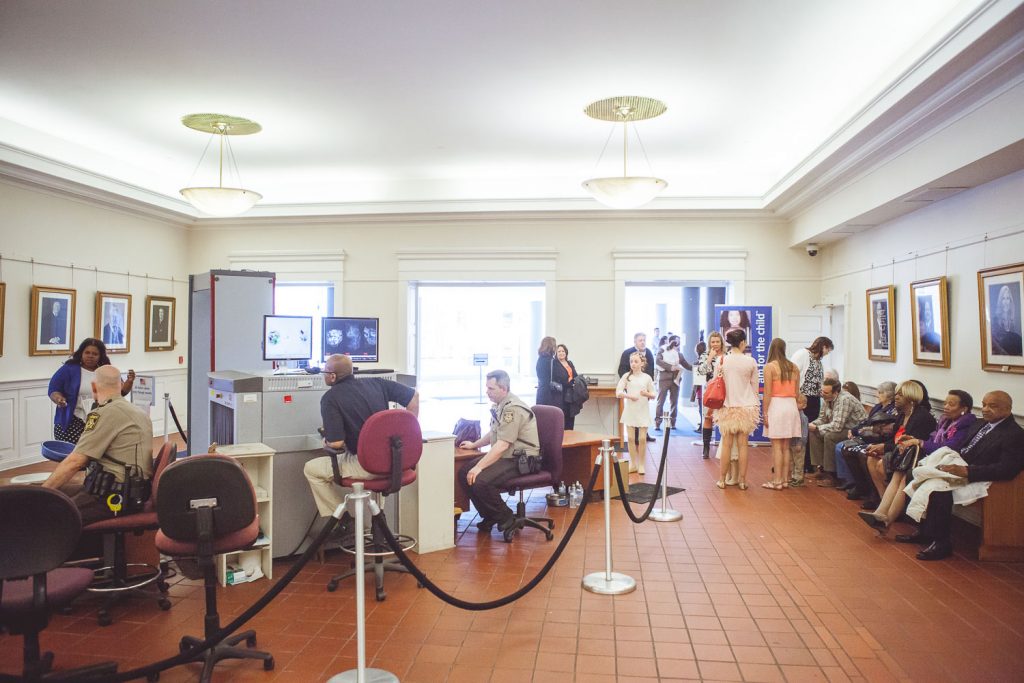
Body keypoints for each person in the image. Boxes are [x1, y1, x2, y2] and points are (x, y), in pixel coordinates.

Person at [898, 391, 1022, 561]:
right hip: (959, 465)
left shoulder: (1014, 433)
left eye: (992, 406)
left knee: (937, 489)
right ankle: (925, 531)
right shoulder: (980, 423)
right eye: (984, 404)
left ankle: (942, 543)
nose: (985, 409)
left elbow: (1007, 469)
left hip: (980, 476)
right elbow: (961, 447)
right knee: (914, 474)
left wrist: (968, 471)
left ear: (1008, 408)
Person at [303, 354, 419, 517]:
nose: (324, 376)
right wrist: (409, 432)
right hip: (396, 462)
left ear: (333, 376)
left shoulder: (330, 398)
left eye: (325, 373)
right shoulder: (377, 383)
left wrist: (326, 441)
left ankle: (342, 522)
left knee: (311, 469)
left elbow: (336, 443)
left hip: (367, 466)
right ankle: (375, 526)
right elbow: (414, 396)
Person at [42, 365, 153, 525]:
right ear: (121, 386)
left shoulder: (105, 413)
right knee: (59, 494)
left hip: (111, 496)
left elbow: (75, 462)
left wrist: (41, 493)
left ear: (94, 387)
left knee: (46, 513)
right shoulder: (137, 412)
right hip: (133, 491)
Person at [860, 389, 976, 533]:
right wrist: (912, 440)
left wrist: (919, 442)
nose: (945, 406)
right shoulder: (946, 421)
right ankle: (881, 513)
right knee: (900, 472)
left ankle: (887, 520)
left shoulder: (965, 425)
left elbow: (949, 447)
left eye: (951, 404)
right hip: (933, 458)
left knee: (906, 475)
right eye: (945, 403)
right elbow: (932, 440)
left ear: (964, 408)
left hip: (948, 463)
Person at [458, 370, 540, 533]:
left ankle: (506, 517)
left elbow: (503, 444)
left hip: (523, 459)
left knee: (480, 479)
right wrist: (475, 444)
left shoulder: (512, 409)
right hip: (508, 455)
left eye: (491, 388)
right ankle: (490, 515)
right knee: (464, 473)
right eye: (487, 388)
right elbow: (495, 432)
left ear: (503, 388)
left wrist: (479, 467)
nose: (487, 392)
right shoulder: (501, 405)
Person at [48, 338, 135, 443]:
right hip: (71, 421)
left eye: (95, 354)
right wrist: (58, 399)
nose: (90, 356)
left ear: (100, 356)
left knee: (94, 453)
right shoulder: (69, 369)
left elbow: (120, 393)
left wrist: (129, 382)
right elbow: (53, 389)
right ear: (81, 353)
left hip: (98, 421)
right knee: (75, 455)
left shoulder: (106, 371)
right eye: (87, 352)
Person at [862, 380, 936, 501]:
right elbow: (893, 438)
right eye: (896, 394)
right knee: (871, 458)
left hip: (911, 455)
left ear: (911, 397)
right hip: (897, 449)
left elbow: (910, 446)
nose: (896, 397)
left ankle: (891, 502)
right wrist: (882, 446)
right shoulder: (903, 414)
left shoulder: (921, 417)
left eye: (900, 395)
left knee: (881, 464)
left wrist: (884, 448)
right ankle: (882, 498)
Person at [714, 328, 760, 490]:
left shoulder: (722, 361)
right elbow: (755, 387)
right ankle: (742, 481)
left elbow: (715, 382)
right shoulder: (751, 361)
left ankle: (721, 479)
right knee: (743, 445)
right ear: (742, 343)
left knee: (726, 444)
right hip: (747, 407)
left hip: (727, 406)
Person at [839, 381, 898, 502]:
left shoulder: (893, 410)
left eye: (880, 392)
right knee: (846, 448)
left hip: (878, 439)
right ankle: (860, 485)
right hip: (867, 436)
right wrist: (854, 430)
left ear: (889, 395)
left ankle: (873, 491)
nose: (878, 395)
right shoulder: (878, 407)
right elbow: (866, 422)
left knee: (863, 454)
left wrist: (861, 431)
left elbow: (881, 430)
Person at [807, 377, 867, 487]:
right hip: (843, 428)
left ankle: (832, 475)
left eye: (826, 392)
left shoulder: (845, 399)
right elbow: (822, 418)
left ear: (835, 392)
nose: (822, 394)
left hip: (856, 431)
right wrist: (812, 425)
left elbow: (837, 426)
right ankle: (820, 468)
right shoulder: (827, 398)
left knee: (830, 436)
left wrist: (817, 428)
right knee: (813, 433)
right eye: (822, 391)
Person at [762, 338, 801, 490]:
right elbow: (797, 394)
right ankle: (785, 480)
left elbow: (767, 393)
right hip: (791, 405)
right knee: (786, 447)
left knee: (777, 446)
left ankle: (777, 481)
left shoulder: (769, 367)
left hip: (776, 405)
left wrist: (765, 413)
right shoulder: (794, 367)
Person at [791, 336, 834, 472]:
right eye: (828, 350)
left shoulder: (818, 361)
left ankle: (808, 463)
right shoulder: (803, 354)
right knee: (802, 430)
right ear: (823, 346)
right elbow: (794, 375)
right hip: (804, 398)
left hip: (815, 398)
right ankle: (798, 463)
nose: (827, 353)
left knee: (810, 429)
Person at [616, 352, 656, 475]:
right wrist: (629, 396)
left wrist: (646, 394)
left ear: (642, 363)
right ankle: (633, 464)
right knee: (631, 438)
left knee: (642, 438)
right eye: (631, 361)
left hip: (643, 411)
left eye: (636, 361)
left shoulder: (647, 378)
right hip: (630, 411)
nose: (633, 364)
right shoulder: (626, 377)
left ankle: (642, 464)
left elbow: (654, 394)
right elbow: (618, 392)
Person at [617, 332, 656, 442]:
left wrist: (649, 387)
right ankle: (634, 437)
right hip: (632, 388)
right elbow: (621, 370)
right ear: (635, 342)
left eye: (644, 340)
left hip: (644, 389)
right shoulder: (627, 353)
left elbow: (651, 370)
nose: (643, 342)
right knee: (633, 412)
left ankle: (644, 435)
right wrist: (628, 383)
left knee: (643, 411)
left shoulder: (648, 352)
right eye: (640, 340)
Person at [697, 331, 725, 459]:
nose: (715, 344)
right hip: (710, 390)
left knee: (724, 418)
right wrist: (709, 358)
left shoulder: (727, 355)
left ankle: (725, 447)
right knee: (708, 418)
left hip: (725, 390)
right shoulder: (705, 355)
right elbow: (701, 372)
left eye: (717, 342)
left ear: (721, 342)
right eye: (712, 342)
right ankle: (706, 448)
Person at [654, 334, 691, 431]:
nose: (678, 344)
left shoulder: (680, 355)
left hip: (676, 380)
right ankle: (657, 423)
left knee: (674, 402)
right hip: (663, 379)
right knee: (660, 401)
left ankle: (673, 422)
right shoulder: (662, 350)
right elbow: (657, 361)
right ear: (670, 342)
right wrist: (671, 367)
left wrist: (699, 367)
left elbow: (687, 366)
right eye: (676, 341)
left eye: (679, 342)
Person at [991, 284, 1023, 356]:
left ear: (1010, 301)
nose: (1006, 302)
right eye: (1003, 298)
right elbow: (995, 344)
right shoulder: (995, 319)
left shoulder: (1011, 319)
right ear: (1000, 301)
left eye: (1008, 298)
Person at [554, 344, 579, 430]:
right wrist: (571, 383)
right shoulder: (555, 364)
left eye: (563, 351)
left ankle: (570, 437)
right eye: (559, 351)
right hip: (561, 395)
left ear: (566, 352)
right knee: (563, 418)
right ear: (556, 353)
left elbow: (575, 375)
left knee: (571, 416)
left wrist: (576, 382)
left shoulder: (570, 363)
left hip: (571, 394)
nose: (561, 353)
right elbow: (559, 379)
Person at [790, 394, 809, 487]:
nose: (796, 404)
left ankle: (799, 478)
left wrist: (801, 443)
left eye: (799, 403)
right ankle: (793, 476)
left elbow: (804, 432)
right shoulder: (793, 416)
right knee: (792, 461)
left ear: (804, 405)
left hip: (798, 443)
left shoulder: (803, 418)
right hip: (791, 442)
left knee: (799, 461)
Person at [535, 336, 559, 407]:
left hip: (541, 392)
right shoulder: (551, 361)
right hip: (550, 395)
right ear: (551, 347)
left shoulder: (540, 359)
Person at [690, 340, 708, 428]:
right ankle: (702, 424)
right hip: (707, 389)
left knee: (701, 409)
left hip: (701, 390)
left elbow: (696, 381)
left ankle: (702, 426)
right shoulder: (709, 361)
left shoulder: (697, 363)